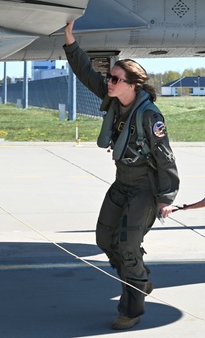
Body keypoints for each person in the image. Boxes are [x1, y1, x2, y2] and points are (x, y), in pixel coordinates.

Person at [63, 20, 180, 331]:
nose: (109, 81)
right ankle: (139, 277)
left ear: (132, 85)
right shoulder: (113, 98)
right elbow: (86, 73)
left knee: (128, 248)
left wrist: (166, 197)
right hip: (121, 181)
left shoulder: (149, 116)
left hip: (144, 187)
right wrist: (71, 42)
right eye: (110, 77)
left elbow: (165, 157)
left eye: (115, 78)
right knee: (105, 239)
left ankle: (131, 308)